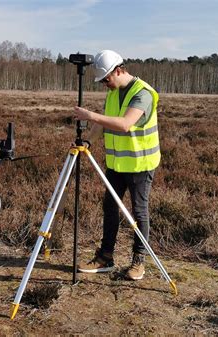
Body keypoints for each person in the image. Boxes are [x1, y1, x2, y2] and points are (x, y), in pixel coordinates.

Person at [73, 50, 160, 280]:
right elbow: (105, 122)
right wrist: (89, 140)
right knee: (110, 208)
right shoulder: (113, 94)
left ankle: (138, 262)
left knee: (139, 213)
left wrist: (90, 115)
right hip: (117, 165)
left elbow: (124, 124)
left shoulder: (143, 94)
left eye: (106, 79)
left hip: (140, 164)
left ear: (119, 70)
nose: (104, 84)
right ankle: (105, 257)